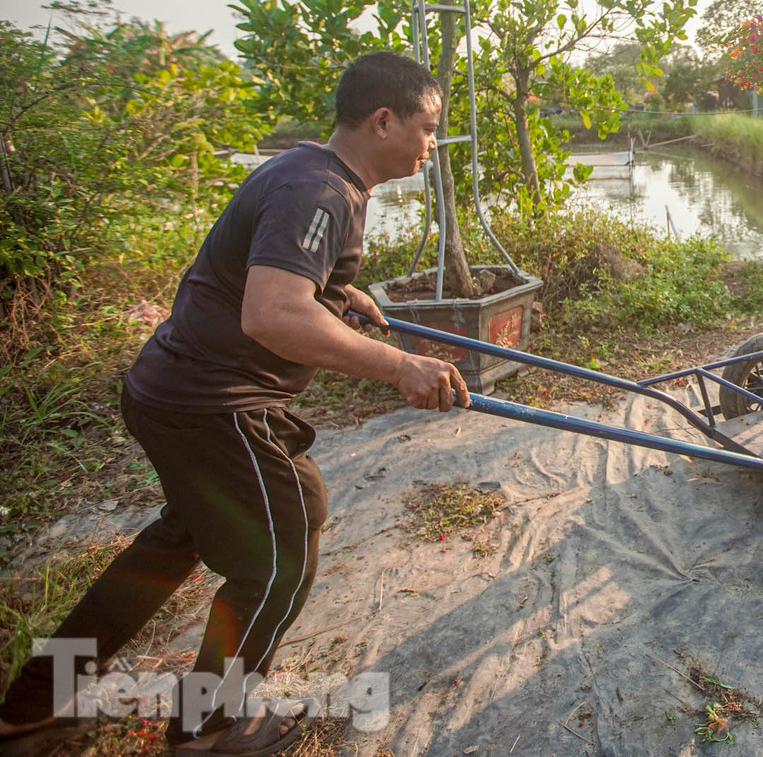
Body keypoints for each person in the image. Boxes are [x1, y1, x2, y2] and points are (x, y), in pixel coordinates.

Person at [0, 52, 467, 756]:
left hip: (169, 388)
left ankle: (34, 703)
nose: (431, 145)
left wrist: (339, 294)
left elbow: (280, 275)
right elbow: (274, 313)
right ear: (383, 121)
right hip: (215, 402)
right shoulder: (323, 190)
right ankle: (206, 728)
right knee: (278, 555)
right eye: (427, 129)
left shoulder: (306, 169)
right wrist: (400, 365)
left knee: (180, 538)